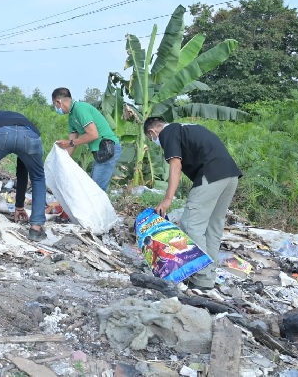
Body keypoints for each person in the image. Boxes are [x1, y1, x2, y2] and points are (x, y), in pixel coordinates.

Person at [144, 117, 242, 290]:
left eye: (151, 138)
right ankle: (208, 278)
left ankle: (201, 277)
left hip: (211, 175)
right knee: (213, 227)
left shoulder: (168, 132)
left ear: (152, 132)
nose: (154, 141)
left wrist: (167, 199)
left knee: (190, 225)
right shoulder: (187, 128)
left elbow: (175, 166)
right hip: (231, 175)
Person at [0, 111, 48, 242]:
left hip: (0, 134)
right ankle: (36, 228)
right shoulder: (25, 122)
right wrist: (19, 206)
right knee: (38, 178)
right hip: (30, 136)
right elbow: (23, 171)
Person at [51, 87, 122, 191]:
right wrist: (61, 162)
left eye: (54, 105)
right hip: (100, 152)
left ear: (58, 101)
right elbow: (71, 145)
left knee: (96, 189)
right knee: (94, 186)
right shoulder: (71, 117)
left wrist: (70, 143)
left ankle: (100, 207)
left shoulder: (80, 108)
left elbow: (93, 134)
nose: (56, 108)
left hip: (108, 148)